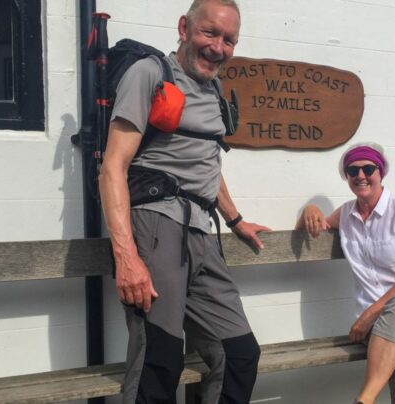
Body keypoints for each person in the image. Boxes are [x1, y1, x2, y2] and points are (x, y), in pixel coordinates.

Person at [99, 1, 269, 403]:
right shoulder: (150, 74)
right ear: (184, 27)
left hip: (202, 233)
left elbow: (206, 159)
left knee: (241, 354)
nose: (219, 48)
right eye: (210, 33)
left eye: (229, 40)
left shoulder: (214, 88)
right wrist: (126, 257)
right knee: (160, 360)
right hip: (156, 224)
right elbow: (112, 168)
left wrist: (235, 219)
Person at [296, 143, 395, 404]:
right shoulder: (346, 215)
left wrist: (368, 315)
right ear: (347, 177)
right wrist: (309, 210)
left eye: (368, 168)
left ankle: (365, 399)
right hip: (380, 326)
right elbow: (313, 225)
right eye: (352, 171)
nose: (361, 176)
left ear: (381, 173)